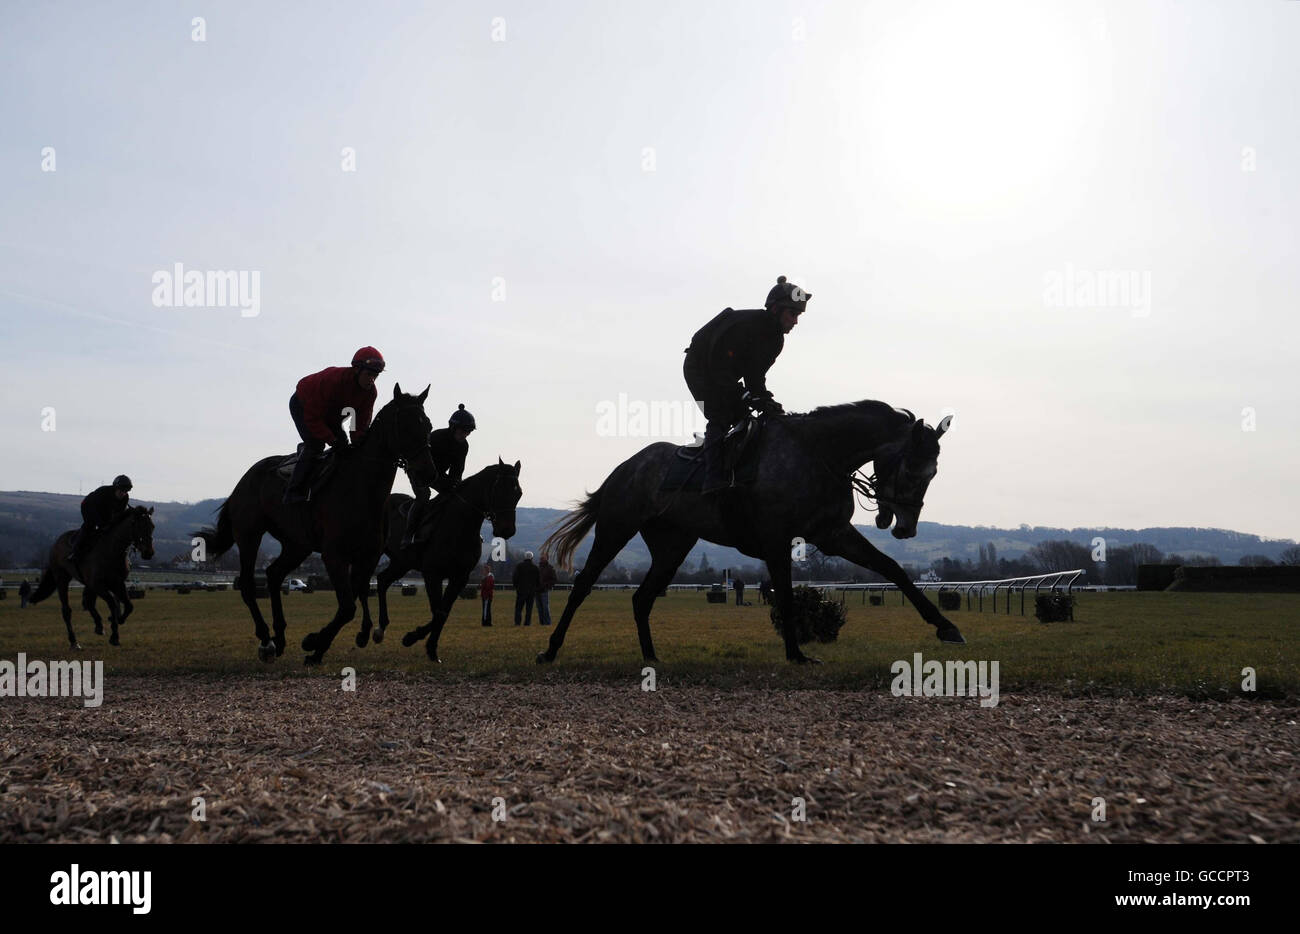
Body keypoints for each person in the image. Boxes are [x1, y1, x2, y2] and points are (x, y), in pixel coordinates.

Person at [683, 276, 810, 493]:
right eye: (793, 314)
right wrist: (743, 395)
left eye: (798, 315)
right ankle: (712, 480)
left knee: (753, 417)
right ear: (776, 309)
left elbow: (755, 376)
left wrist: (765, 399)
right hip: (701, 368)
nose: (796, 321)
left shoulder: (776, 340)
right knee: (721, 414)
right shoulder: (746, 325)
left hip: (725, 373)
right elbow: (718, 367)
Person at [284, 347, 385, 504]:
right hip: (303, 404)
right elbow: (313, 417)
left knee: (346, 448)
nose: (371, 380)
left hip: (332, 413)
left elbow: (359, 424)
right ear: (356, 369)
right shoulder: (333, 381)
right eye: (368, 374)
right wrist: (332, 440)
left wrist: (357, 443)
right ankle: (293, 491)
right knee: (316, 445)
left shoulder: (370, 393)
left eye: (375, 376)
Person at [403, 404, 476, 547]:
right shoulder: (436, 436)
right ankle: (408, 535)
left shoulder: (463, 446)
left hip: (438, 475)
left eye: (468, 432)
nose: (465, 434)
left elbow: (457, 470)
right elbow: (421, 460)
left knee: (453, 496)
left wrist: (456, 485)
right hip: (418, 470)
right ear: (453, 428)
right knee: (424, 495)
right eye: (463, 430)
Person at [71, 475, 132, 570]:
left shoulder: (125, 498)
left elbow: (120, 515)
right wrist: (100, 524)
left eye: (125, 491)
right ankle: (75, 552)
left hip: (105, 511)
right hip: (88, 507)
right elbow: (94, 510)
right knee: (90, 526)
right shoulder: (103, 492)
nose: (123, 493)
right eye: (121, 491)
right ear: (115, 488)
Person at [512, 551, 540, 626]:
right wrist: (535, 588)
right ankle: (527, 623)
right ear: (532, 558)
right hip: (531, 592)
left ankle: (517, 622)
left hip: (521, 591)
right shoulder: (535, 568)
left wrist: (516, 587)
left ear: (524, 557)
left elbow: (515, 578)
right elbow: (538, 580)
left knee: (518, 608)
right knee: (529, 609)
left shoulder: (519, 566)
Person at [537, 554, 557, 626]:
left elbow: (554, 579)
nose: (541, 558)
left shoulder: (550, 568)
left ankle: (547, 623)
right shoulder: (538, 568)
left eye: (543, 557)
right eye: (541, 557)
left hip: (544, 590)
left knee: (545, 607)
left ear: (547, 558)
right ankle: (542, 622)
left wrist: (546, 586)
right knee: (539, 608)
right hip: (537, 591)